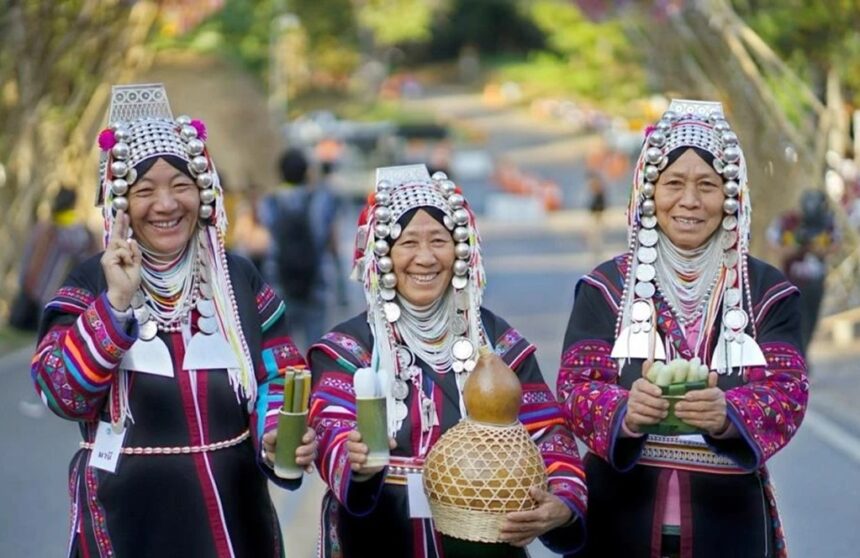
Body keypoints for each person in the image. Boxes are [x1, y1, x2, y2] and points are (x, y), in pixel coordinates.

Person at [30, 83, 316, 558]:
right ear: (121, 204)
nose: (166, 205)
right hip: (130, 520)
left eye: (181, 186)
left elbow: (281, 373)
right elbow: (60, 393)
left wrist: (274, 433)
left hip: (235, 513)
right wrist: (115, 305)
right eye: (145, 191)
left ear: (204, 193)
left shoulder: (236, 278)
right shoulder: (89, 281)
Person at [557, 100, 808, 558]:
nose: (689, 201)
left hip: (728, 522)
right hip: (619, 518)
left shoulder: (767, 291)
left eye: (707, 186)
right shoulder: (606, 287)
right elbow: (575, 386)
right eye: (673, 183)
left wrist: (729, 413)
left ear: (731, 195)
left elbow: (788, 390)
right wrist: (624, 412)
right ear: (650, 192)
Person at [307, 165, 587, 557]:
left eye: (439, 240)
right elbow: (329, 424)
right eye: (407, 243)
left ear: (460, 250)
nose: (425, 258)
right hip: (378, 538)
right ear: (381, 255)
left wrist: (563, 501)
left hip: (485, 543)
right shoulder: (349, 348)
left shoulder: (495, 340)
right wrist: (354, 459)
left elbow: (548, 432)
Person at [259, 147, 340, 351]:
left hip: (280, 281)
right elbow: (329, 239)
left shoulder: (270, 202)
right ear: (306, 172)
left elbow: (266, 240)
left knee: (284, 348)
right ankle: (316, 381)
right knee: (316, 345)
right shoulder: (322, 200)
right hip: (316, 281)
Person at [9, 186, 98, 331]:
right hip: (55, 287)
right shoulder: (77, 231)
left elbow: (29, 256)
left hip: (47, 287)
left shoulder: (45, 228)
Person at [767, 188, 839, 355]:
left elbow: (834, 245)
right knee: (796, 322)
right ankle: (799, 358)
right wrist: (796, 245)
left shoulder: (826, 222)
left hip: (815, 283)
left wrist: (816, 247)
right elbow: (774, 246)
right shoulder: (787, 222)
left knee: (811, 321)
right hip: (792, 282)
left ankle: (803, 356)